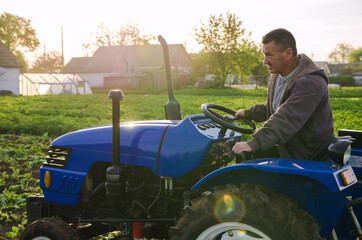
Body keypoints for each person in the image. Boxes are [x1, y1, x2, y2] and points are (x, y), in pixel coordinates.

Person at [232, 28, 334, 160]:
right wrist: (249, 113)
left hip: (309, 157)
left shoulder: (310, 83)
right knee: (246, 159)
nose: (265, 62)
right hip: (288, 150)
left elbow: (287, 118)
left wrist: (254, 143)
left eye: (269, 55)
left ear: (288, 53)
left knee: (250, 159)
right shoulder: (278, 76)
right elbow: (277, 107)